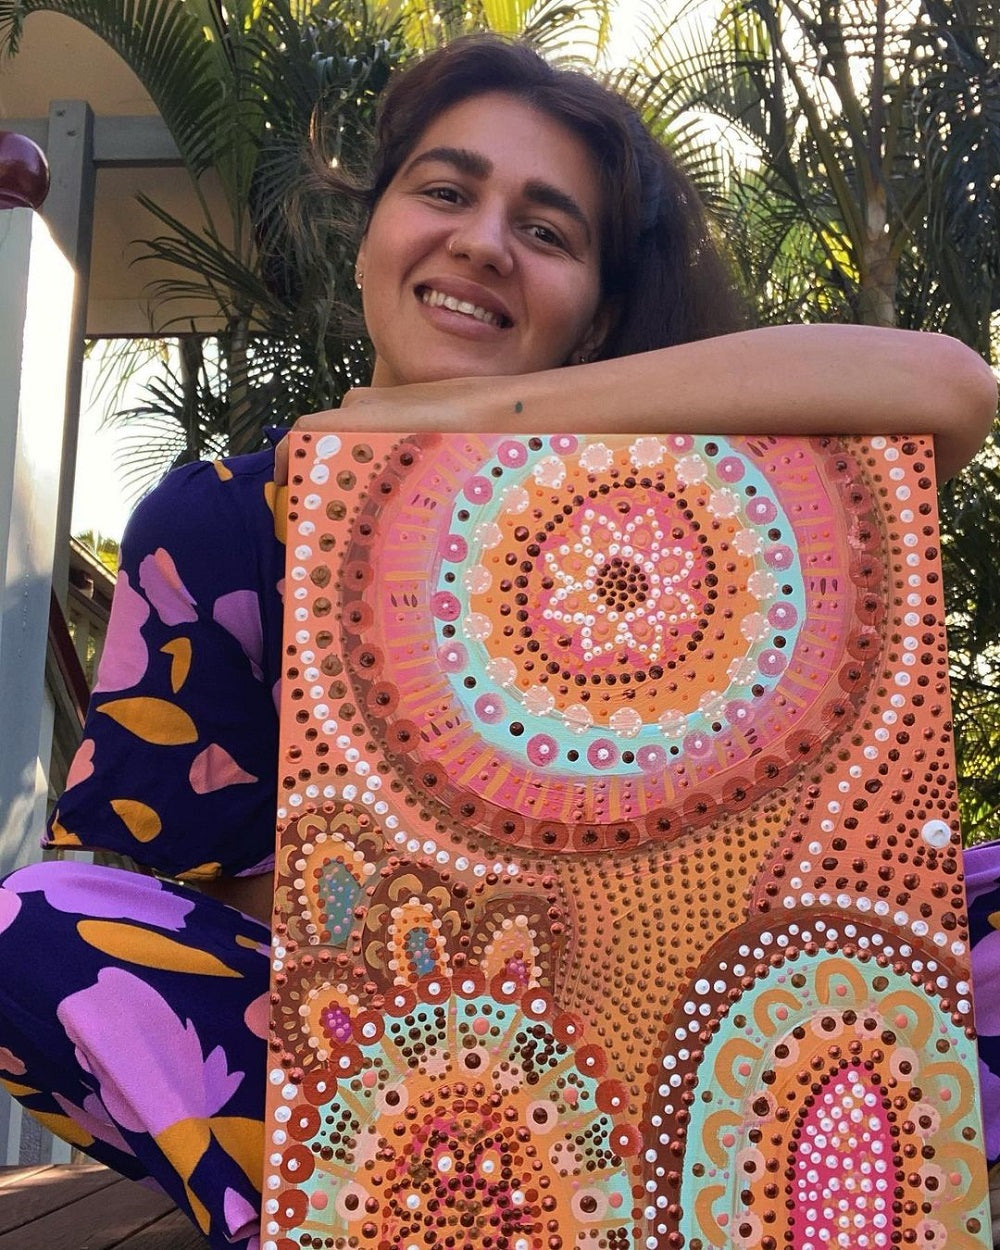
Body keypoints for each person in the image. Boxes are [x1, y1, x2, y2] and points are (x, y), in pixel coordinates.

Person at [0, 36, 995, 1250]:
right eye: (445, 189)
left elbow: (947, 388)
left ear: (595, 315)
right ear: (368, 235)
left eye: (548, 229)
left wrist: (448, 419)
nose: (482, 240)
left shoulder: (699, 492)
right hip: (378, 1041)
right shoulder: (217, 515)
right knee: (37, 924)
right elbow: (167, 869)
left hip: (728, 1005)